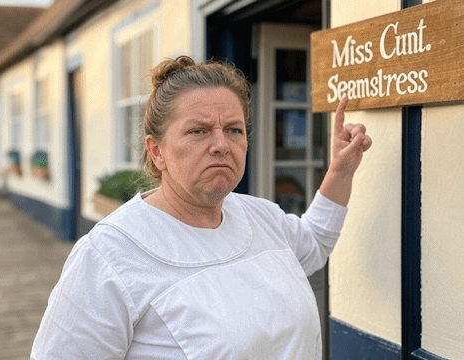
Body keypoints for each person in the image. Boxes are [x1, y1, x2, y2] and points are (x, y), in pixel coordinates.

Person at [31, 56, 372, 359]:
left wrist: (340, 170)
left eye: (234, 130)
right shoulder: (109, 256)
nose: (222, 145)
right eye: (199, 131)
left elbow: (313, 244)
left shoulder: (260, 215)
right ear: (157, 151)